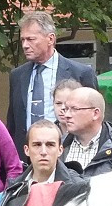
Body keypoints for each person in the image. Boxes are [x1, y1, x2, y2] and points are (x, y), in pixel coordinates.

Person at [6, 10, 98, 151]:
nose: (24, 45)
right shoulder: (17, 76)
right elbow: (13, 124)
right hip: (27, 158)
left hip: (70, 154)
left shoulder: (80, 73)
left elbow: (94, 120)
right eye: (23, 40)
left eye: (31, 39)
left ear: (50, 39)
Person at [59, 86, 112, 177]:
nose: (66, 115)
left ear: (95, 113)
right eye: (66, 109)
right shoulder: (57, 146)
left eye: (74, 109)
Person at [10, 120, 82, 187]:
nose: (43, 152)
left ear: (60, 150)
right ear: (27, 150)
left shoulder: (77, 187)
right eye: (37, 145)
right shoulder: (14, 188)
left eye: (50, 145)